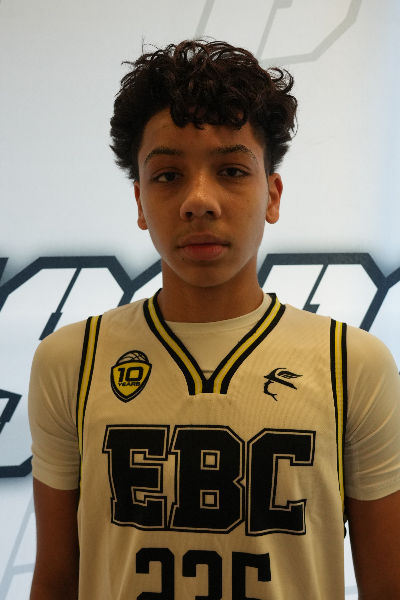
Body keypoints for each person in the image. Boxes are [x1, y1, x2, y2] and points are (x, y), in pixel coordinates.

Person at [28, 40, 400, 600]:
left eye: (231, 170)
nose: (198, 201)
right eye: (168, 176)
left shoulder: (353, 365)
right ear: (139, 201)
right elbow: (56, 580)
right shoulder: (70, 361)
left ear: (272, 195)